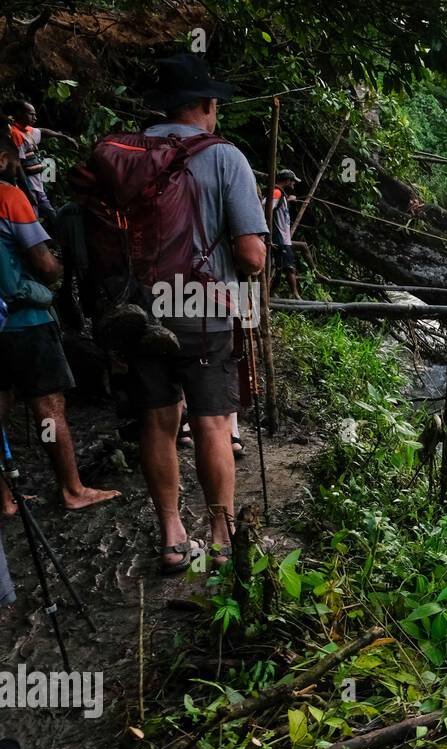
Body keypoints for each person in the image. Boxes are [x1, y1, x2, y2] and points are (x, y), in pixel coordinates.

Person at [106, 54, 268, 572]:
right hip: (201, 311)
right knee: (214, 424)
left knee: (157, 422)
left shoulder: (126, 154)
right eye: (214, 103)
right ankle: (220, 538)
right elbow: (251, 254)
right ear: (204, 105)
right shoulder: (225, 158)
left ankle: (174, 539)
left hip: (138, 311)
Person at [0, 134, 119, 518]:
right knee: (48, 407)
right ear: (3, 159)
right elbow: (46, 266)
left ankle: (4, 498)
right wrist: (55, 270)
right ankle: (71, 487)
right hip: (25, 322)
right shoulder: (8, 197)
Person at [3, 100, 67, 220]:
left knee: (51, 216)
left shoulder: (27, 131)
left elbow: (42, 131)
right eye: (31, 114)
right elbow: (18, 166)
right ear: (18, 113)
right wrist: (27, 192)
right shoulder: (15, 134)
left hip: (37, 185)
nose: (35, 118)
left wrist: (63, 136)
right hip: (28, 186)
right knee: (33, 217)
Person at [270, 168, 300, 299]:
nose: (293, 185)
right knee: (289, 267)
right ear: (287, 181)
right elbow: (266, 206)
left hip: (283, 237)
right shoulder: (276, 192)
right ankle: (295, 294)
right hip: (280, 237)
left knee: (280, 267)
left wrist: (287, 201)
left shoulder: (281, 194)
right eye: (292, 182)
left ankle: (272, 293)